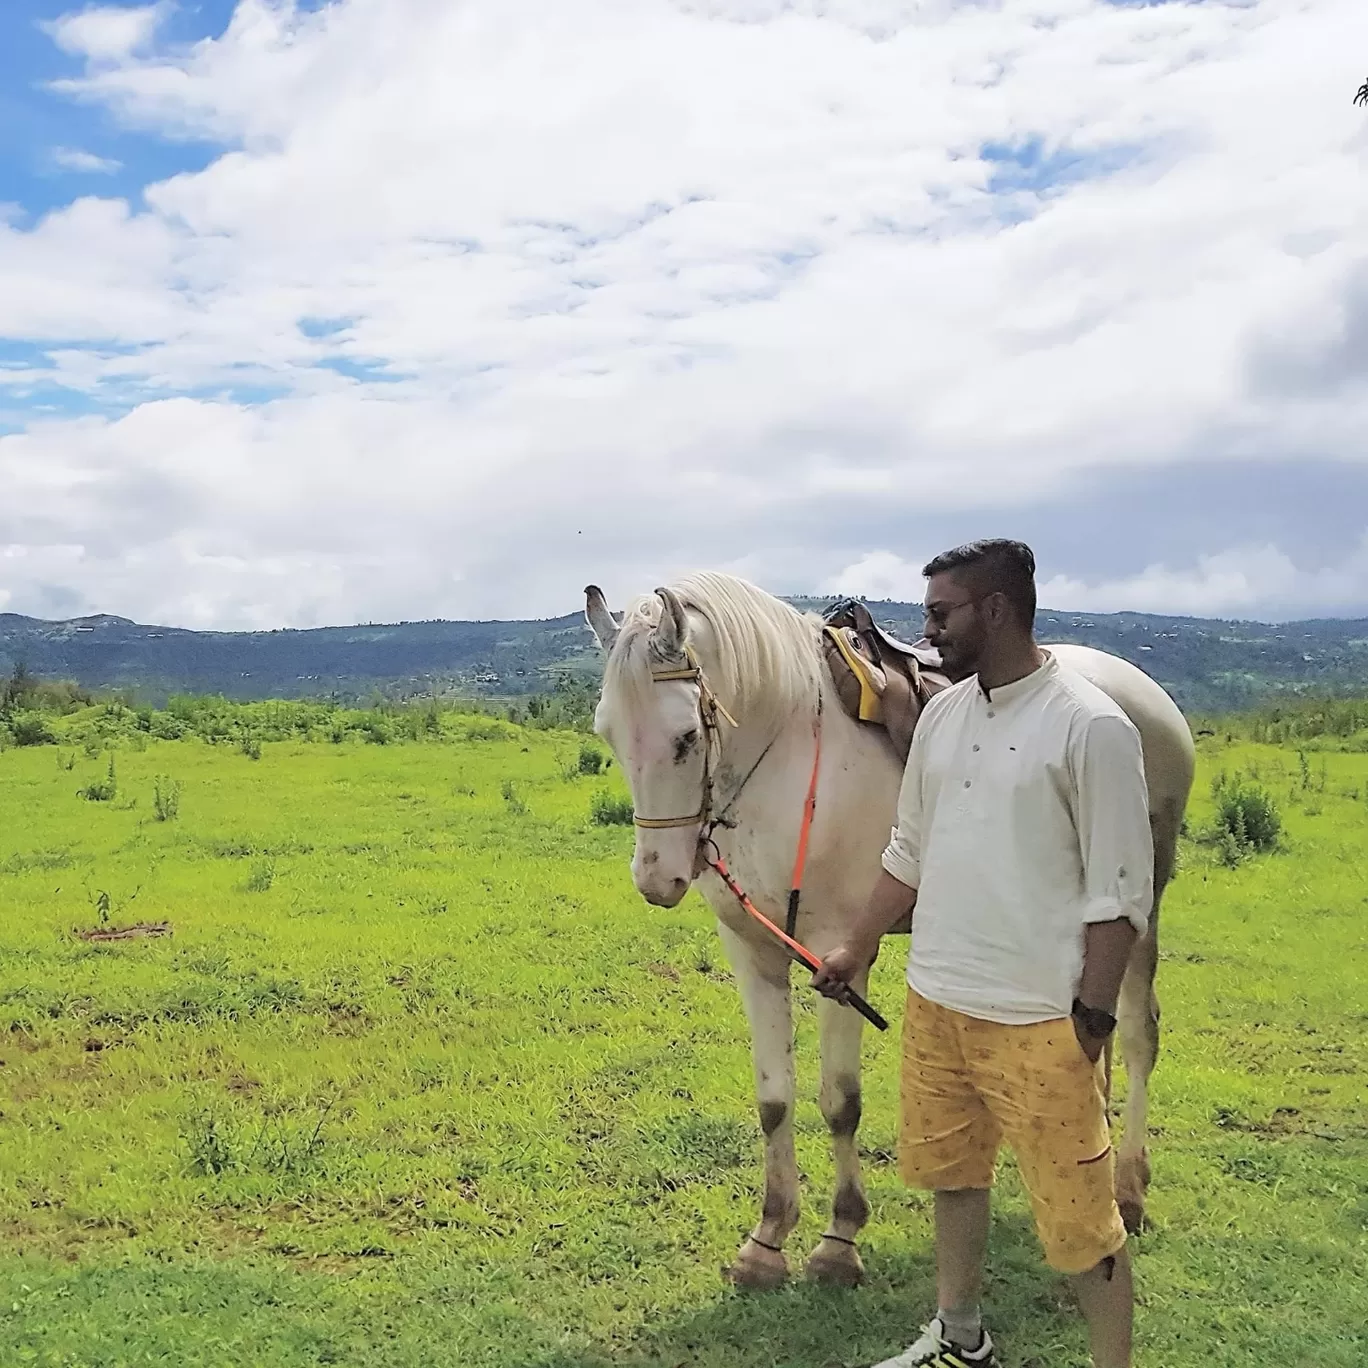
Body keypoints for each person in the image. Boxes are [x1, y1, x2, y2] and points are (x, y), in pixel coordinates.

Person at [814, 539, 1153, 1368]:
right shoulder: (944, 715)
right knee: (953, 1176)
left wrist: (1093, 1019)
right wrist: (857, 947)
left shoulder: (1091, 726)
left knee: (1082, 1226)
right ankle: (960, 1338)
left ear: (996, 610)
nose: (927, 635)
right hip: (938, 1004)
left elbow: (1120, 894)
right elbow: (908, 849)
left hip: (1041, 1018)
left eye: (941, 614)